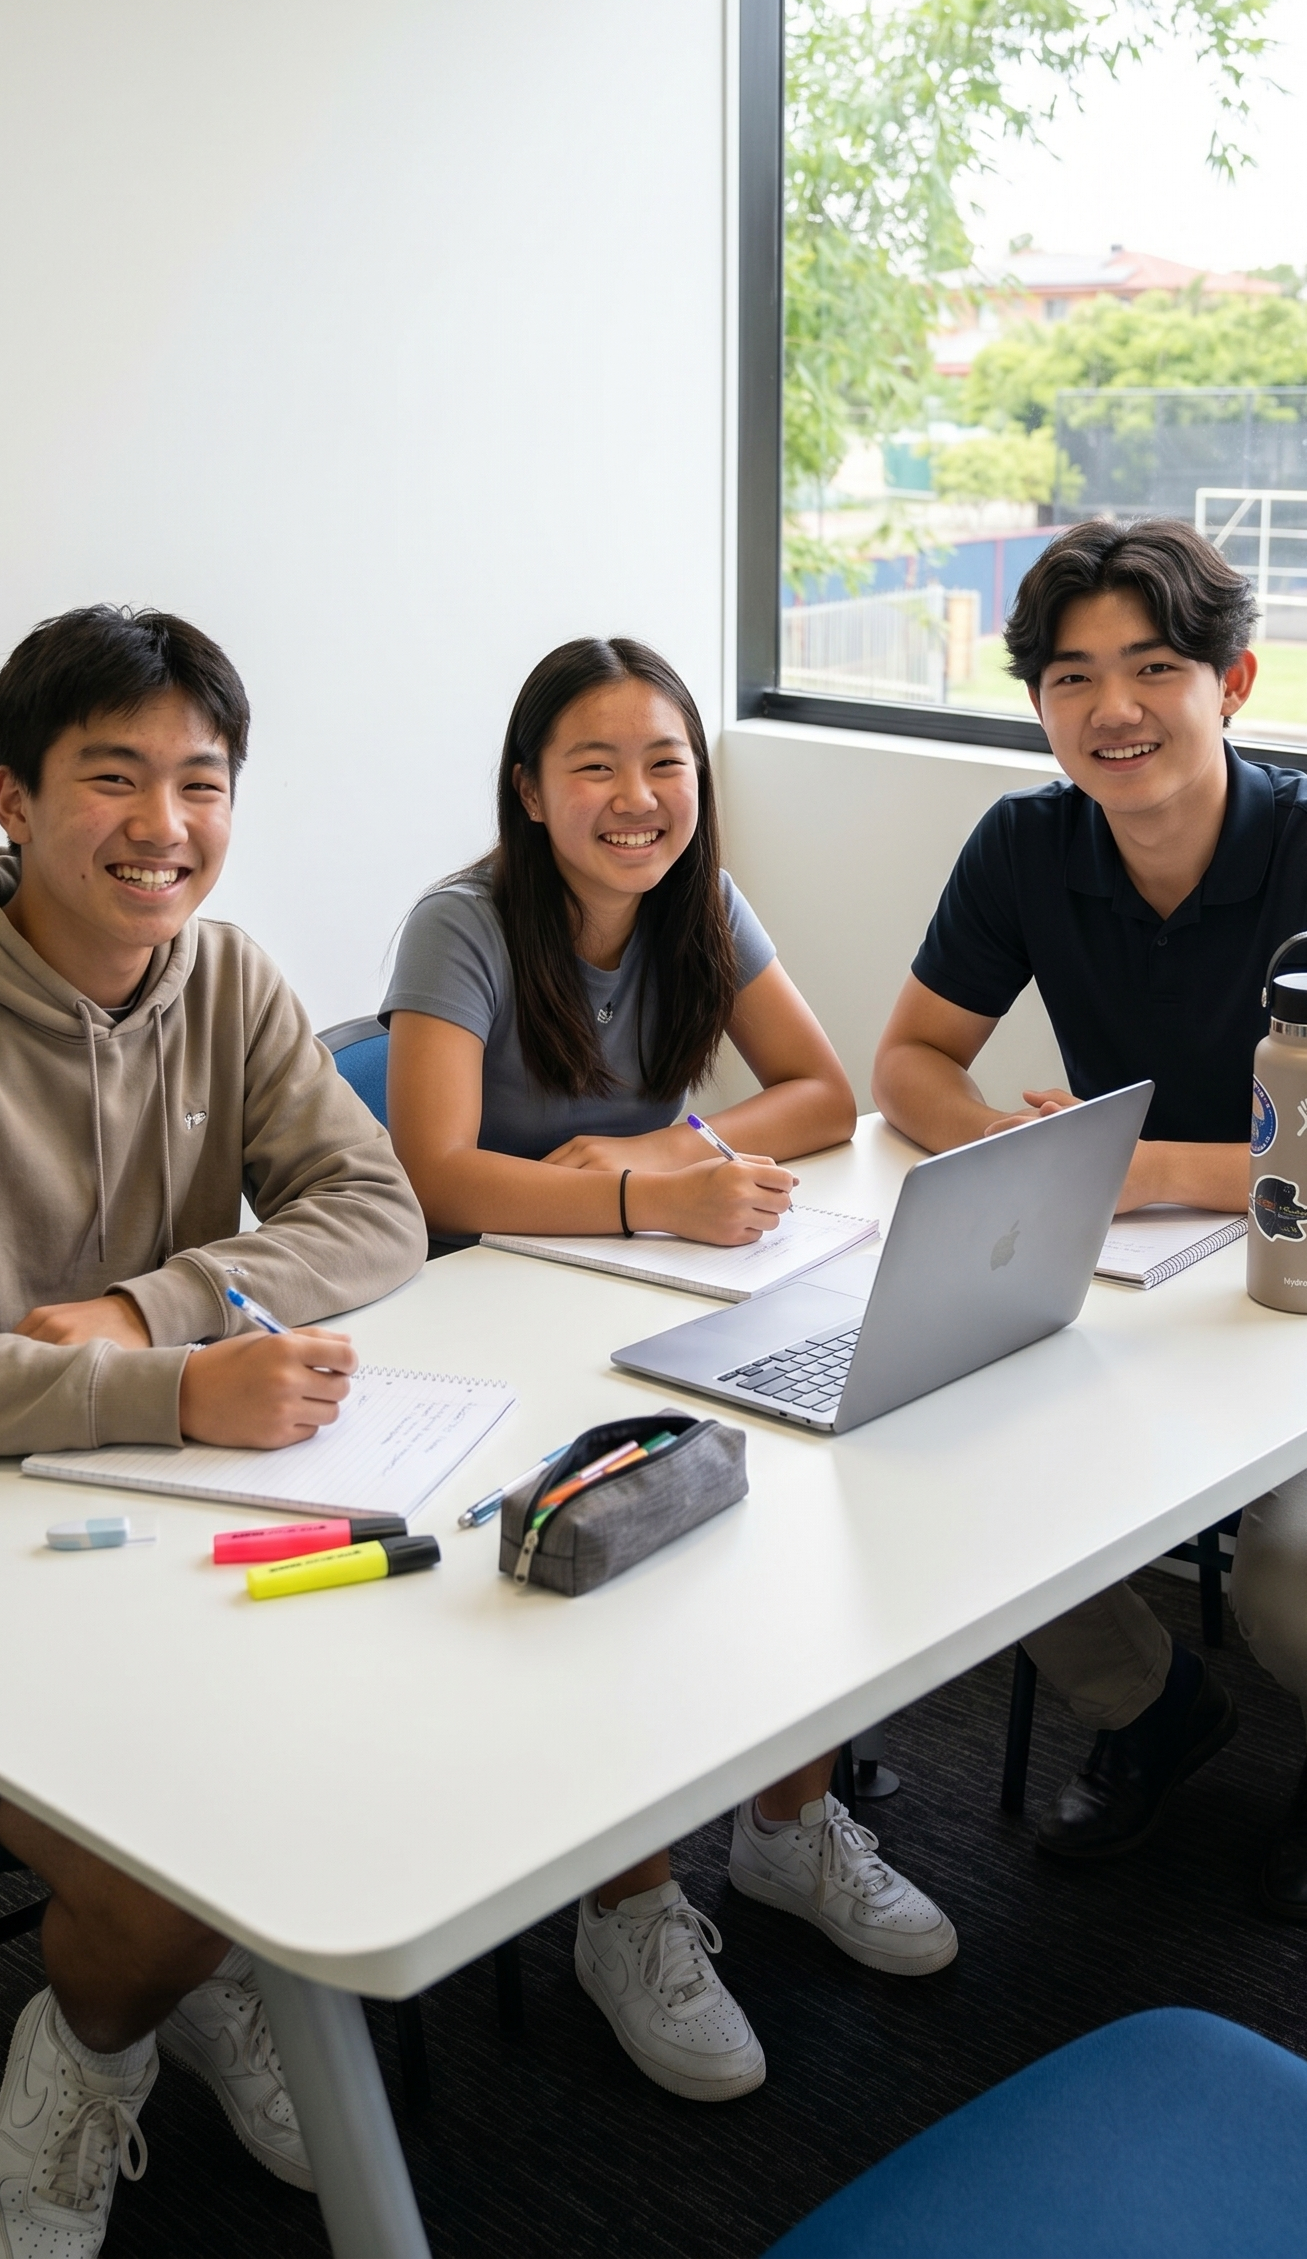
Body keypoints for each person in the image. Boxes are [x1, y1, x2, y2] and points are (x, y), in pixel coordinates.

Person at [0, 605, 427, 2259]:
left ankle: (173, 1990)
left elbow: (375, 1208)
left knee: (383, 1742)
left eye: (201, 781)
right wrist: (169, 1392)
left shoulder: (229, 977)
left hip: (173, 1528)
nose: (164, 827)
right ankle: (94, 2041)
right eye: (112, 778)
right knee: (184, 1859)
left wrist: (154, 1312)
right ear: (13, 798)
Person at [384, 633, 957, 2104]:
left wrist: (663, 1152)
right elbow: (438, 1180)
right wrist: (658, 1195)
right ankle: (627, 1906)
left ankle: (785, 1824)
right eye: (595, 766)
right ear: (528, 789)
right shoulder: (460, 924)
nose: (636, 798)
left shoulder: (701, 900)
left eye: (665, 764)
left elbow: (823, 1094)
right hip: (487, 1319)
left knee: (830, 1475)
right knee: (614, 1560)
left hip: (640, 1277)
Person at [872, 518, 1307, 1918]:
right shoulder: (1027, 848)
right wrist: (1021, 1152)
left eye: (1154, 666)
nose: (1112, 709)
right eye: (1070, 678)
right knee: (930, 1455)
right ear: (1042, 707)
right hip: (1129, 1278)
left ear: (1230, 684)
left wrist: (1159, 1165)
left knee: (1297, 1584)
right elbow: (910, 1063)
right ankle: (1155, 1705)